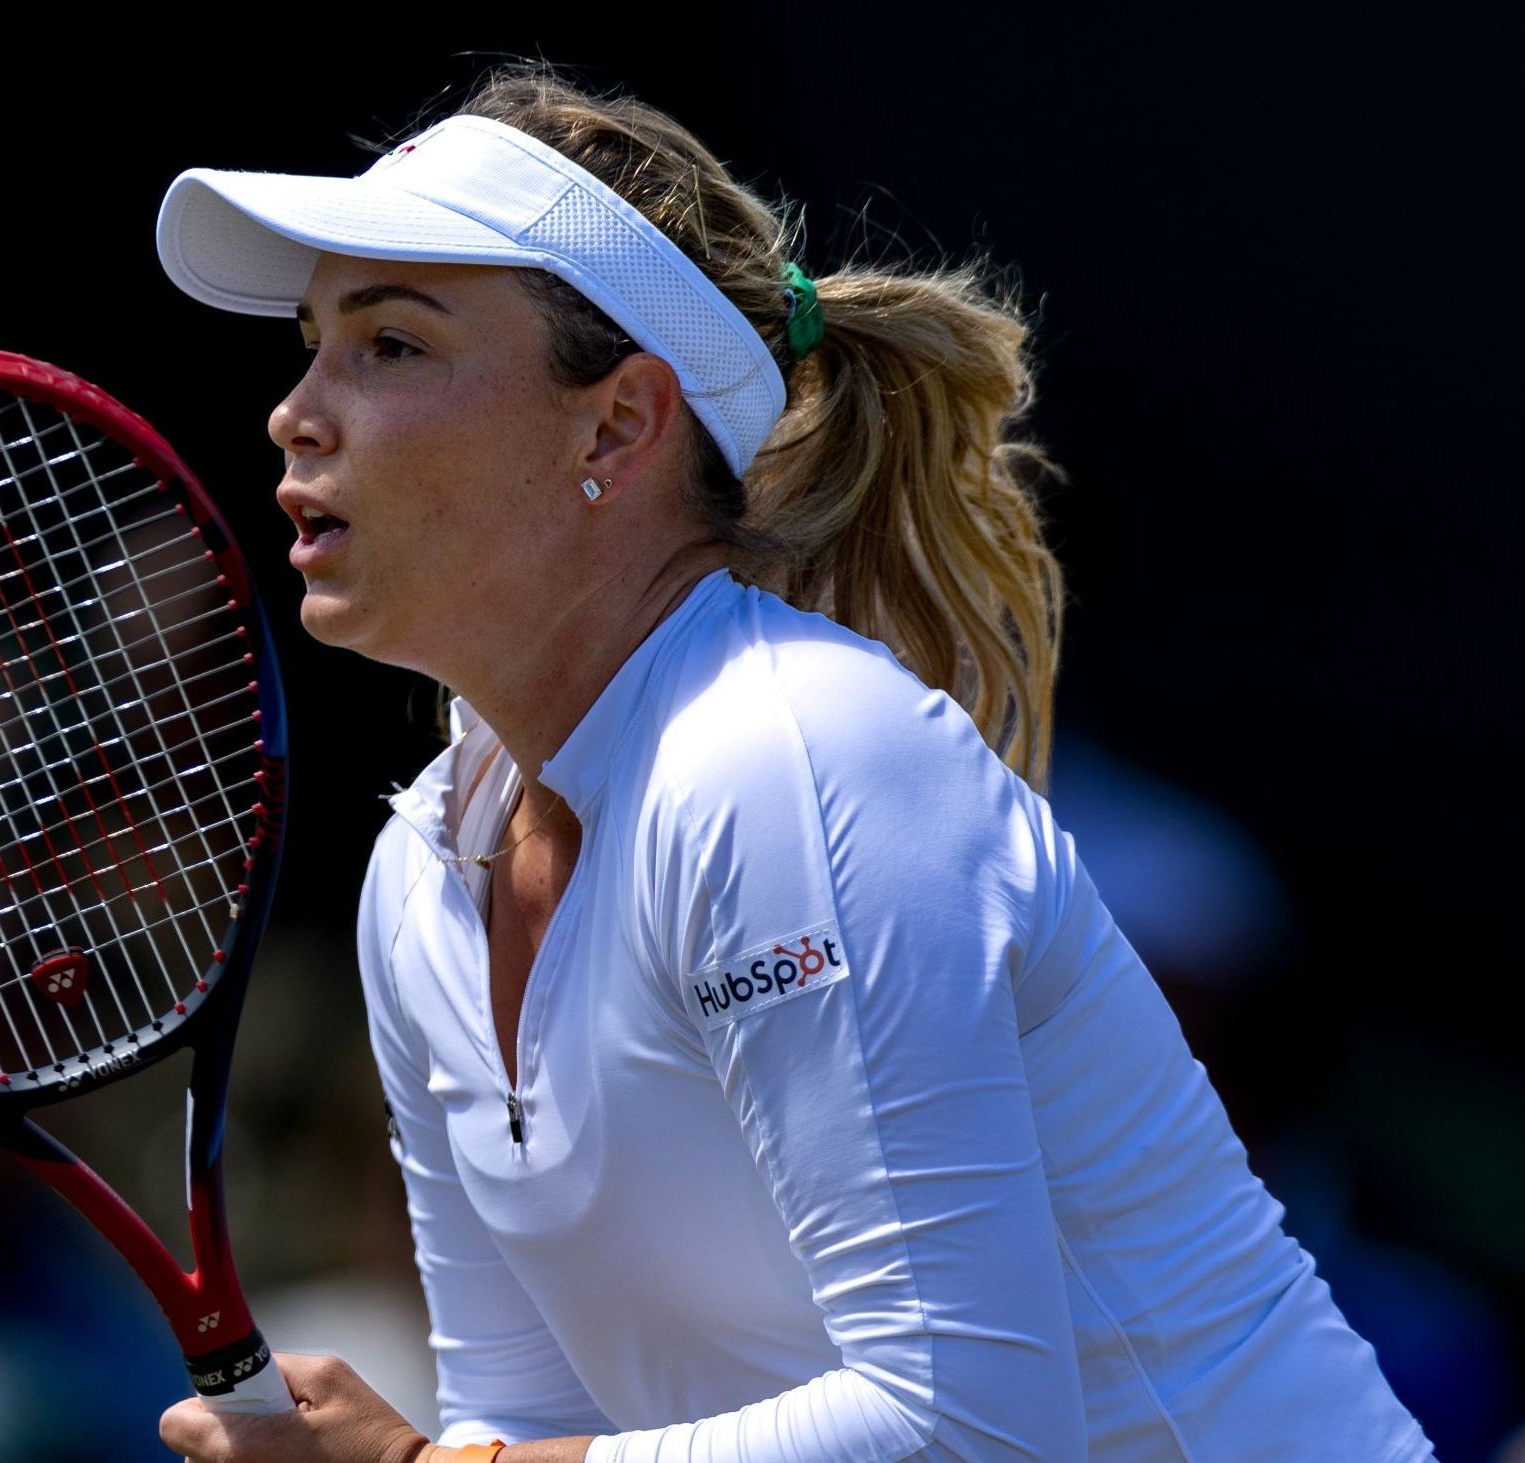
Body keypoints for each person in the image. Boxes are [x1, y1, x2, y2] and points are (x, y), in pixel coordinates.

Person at [150, 66, 1432, 1462]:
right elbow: (522, 1424)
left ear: (617, 424)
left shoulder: (791, 759)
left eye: (391, 344)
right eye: (311, 344)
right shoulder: (420, 877)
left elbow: (971, 1431)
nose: (296, 410)